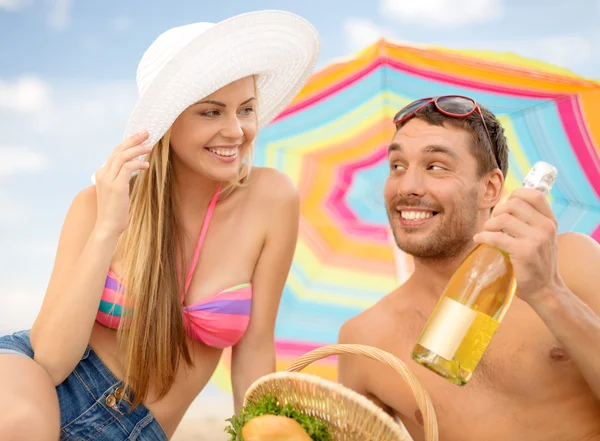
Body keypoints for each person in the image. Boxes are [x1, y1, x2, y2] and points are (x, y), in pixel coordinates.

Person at [0, 10, 320, 441]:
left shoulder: (271, 199)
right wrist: (108, 228)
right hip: (38, 389)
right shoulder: (98, 204)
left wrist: (260, 431)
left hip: (140, 430)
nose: (236, 131)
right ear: (168, 122)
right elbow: (52, 360)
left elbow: (255, 349)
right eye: (211, 112)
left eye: (245, 109)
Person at [338, 96, 600, 441]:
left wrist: (548, 292)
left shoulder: (572, 260)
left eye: (435, 166)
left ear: (490, 188)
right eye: (397, 166)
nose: (407, 187)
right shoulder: (365, 341)